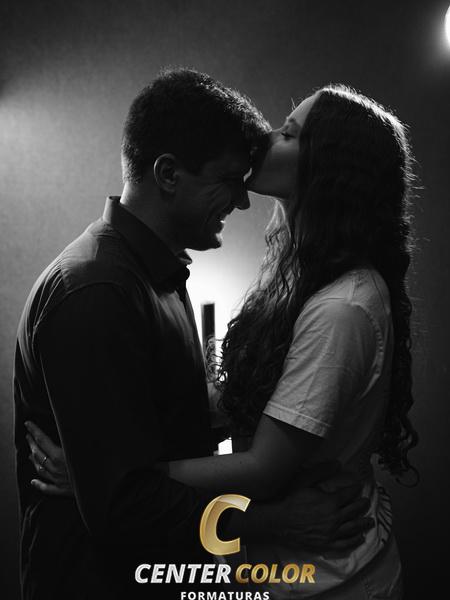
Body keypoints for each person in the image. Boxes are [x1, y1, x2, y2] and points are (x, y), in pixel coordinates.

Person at [14, 70, 371, 600]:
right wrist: (274, 521)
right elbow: (123, 510)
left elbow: (164, 429)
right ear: (168, 174)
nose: (243, 201)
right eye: (229, 180)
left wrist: (99, 472)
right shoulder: (97, 292)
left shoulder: (154, 274)